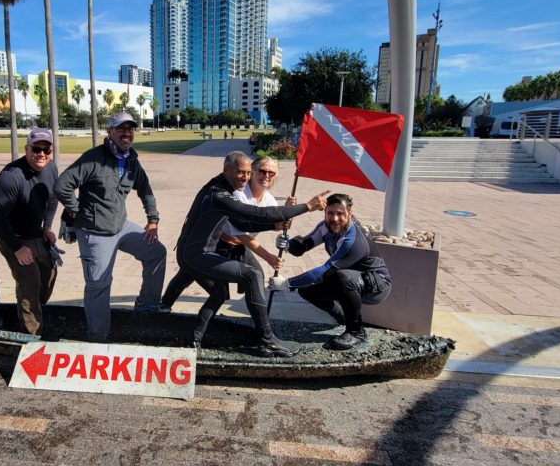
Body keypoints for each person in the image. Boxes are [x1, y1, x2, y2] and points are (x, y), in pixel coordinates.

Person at [175, 151, 328, 357]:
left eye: (248, 173)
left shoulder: (222, 186)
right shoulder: (218, 194)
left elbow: (242, 223)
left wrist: (275, 224)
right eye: (240, 172)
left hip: (197, 253)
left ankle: (193, 341)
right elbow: (256, 214)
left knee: (221, 293)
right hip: (195, 255)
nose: (245, 178)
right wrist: (307, 207)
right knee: (252, 275)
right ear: (226, 170)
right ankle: (267, 341)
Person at [55, 112, 167, 342]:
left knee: (156, 252)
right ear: (110, 131)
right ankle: (97, 337)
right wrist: (76, 209)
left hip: (121, 226)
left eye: (130, 129)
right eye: (121, 128)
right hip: (95, 232)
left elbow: (145, 190)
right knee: (99, 284)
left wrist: (152, 220)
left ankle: (146, 308)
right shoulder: (93, 158)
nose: (126, 133)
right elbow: (62, 185)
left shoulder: (131, 160)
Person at [160, 155, 289, 309]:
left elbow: (272, 221)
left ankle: (258, 317)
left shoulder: (269, 199)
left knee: (256, 276)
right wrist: (268, 256)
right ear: (252, 171)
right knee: (190, 276)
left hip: (239, 247)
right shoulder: (239, 192)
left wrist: (286, 213)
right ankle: (164, 305)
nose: (266, 176)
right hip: (219, 244)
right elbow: (242, 231)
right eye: (262, 171)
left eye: (271, 173)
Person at [268, 193, 392, 350]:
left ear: (350, 214)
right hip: (349, 279)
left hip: (377, 285)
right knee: (307, 290)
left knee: (342, 277)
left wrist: (287, 283)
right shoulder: (325, 227)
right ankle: (341, 316)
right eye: (330, 213)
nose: (334, 219)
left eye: (340, 214)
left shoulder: (354, 239)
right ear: (325, 212)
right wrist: (288, 244)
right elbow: (303, 246)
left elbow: (326, 270)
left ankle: (356, 331)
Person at [0, 128, 60, 336]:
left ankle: (27, 309)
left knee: (49, 273)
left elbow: (52, 200)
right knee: (29, 279)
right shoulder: (11, 177)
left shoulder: (51, 168)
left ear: (51, 150)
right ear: (26, 149)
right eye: (36, 149)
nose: (41, 154)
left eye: (46, 149)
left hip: (35, 234)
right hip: (11, 236)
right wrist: (17, 248)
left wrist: (47, 227)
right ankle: (31, 336)